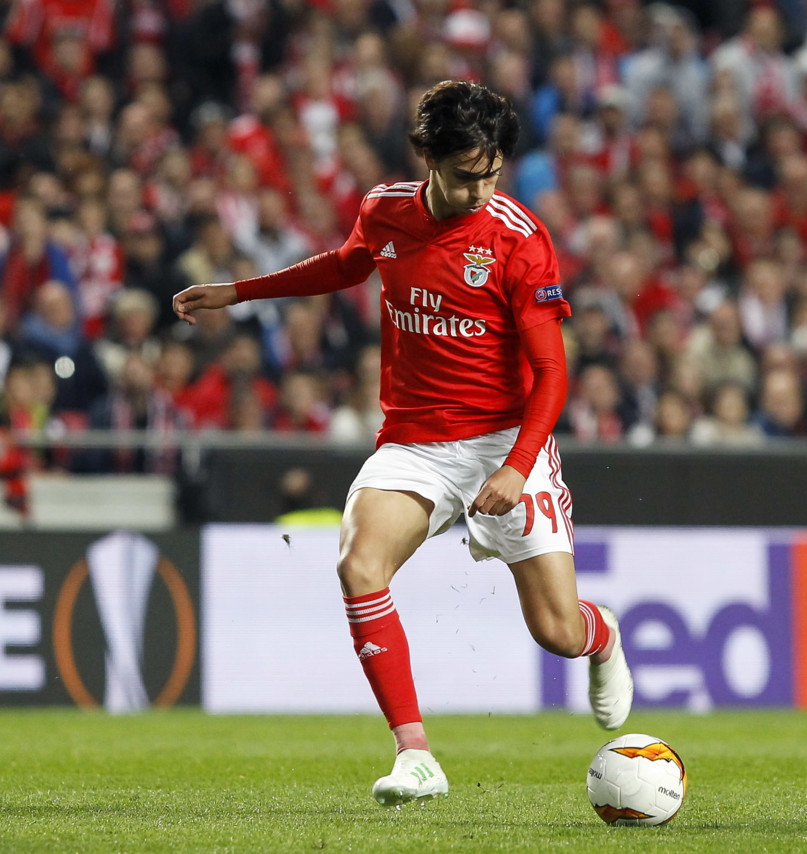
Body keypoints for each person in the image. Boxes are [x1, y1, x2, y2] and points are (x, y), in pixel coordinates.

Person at [172, 80, 633, 807]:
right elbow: (346, 264)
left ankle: (600, 633)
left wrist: (518, 468)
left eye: (492, 175)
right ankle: (416, 756)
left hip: (504, 441)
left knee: (556, 632)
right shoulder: (385, 209)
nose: (480, 192)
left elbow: (552, 373)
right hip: (415, 441)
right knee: (358, 564)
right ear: (427, 156)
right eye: (466, 176)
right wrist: (242, 291)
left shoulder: (518, 240)